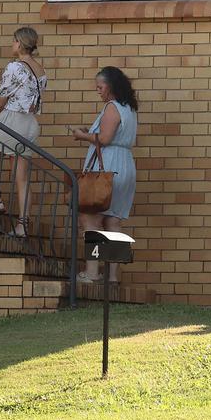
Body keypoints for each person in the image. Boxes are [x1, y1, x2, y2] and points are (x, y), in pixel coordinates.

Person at [0, 27, 47, 238]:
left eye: (13, 41)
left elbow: (1, 102)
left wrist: (0, 119)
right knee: (22, 178)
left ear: (19, 42)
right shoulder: (40, 70)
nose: (11, 44)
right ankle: (22, 226)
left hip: (12, 119)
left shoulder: (15, 67)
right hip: (30, 124)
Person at [71, 67, 139, 285]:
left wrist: (82, 136)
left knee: (90, 217)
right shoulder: (129, 108)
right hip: (125, 165)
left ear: (109, 86)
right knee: (113, 220)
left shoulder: (112, 107)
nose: (98, 91)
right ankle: (112, 277)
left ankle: (91, 273)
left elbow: (106, 138)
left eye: (100, 87)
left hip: (108, 166)